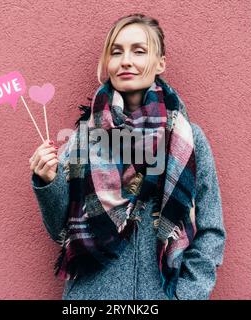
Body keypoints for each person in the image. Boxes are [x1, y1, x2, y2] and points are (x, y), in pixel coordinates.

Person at [29, 13, 226, 300]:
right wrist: (47, 182)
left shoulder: (189, 139)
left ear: (160, 63)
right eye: (116, 51)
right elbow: (60, 230)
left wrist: (187, 294)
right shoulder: (84, 138)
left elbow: (211, 230)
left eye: (139, 51)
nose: (126, 61)